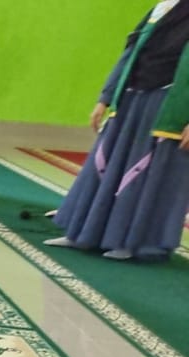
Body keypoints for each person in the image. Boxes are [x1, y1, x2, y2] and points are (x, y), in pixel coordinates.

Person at [48, 0, 189, 261]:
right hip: (131, 98)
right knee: (105, 162)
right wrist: (105, 97)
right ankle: (84, 234)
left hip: (168, 105)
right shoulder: (162, 8)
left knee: (148, 172)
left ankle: (132, 243)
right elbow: (132, 52)